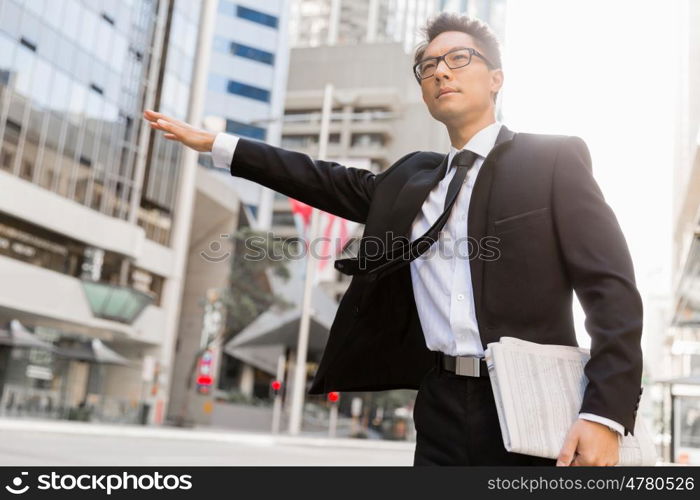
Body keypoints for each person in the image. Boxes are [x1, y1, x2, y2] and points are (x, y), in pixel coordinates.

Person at [143, 12, 643, 467]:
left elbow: (611, 290)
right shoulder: (412, 180)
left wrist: (604, 413)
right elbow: (321, 178)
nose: (441, 71)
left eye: (457, 58)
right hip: (440, 405)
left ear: (496, 78)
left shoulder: (552, 160)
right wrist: (219, 145)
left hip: (534, 405)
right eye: (427, 66)